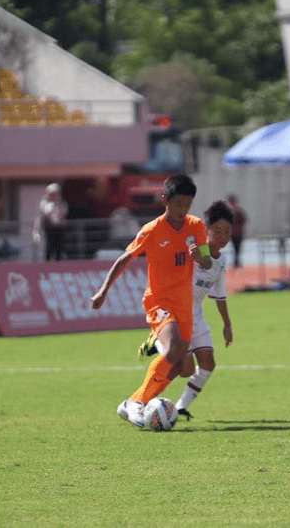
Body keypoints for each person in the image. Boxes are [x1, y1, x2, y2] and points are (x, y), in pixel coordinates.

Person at [91, 174, 212, 428]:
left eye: (187, 205)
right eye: (178, 204)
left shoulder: (197, 226)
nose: (182, 210)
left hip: (184, 305)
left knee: (184, 367)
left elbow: (207, 260)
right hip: (159, 301)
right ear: (165, 200)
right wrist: (103, 291)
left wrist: (199, 258)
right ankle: (138, 401)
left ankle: (131, 403)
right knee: (174, 350)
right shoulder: (152, 230)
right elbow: (125, 258)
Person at [137, 200, 234, 420]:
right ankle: (159, 342)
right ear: (206, 231)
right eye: (216, 231)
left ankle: (180, 407)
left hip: (196, 314)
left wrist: (227, 325)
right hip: (177, 312)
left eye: (226, 232)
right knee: (185, 369)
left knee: (208, 364)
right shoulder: (192, 248)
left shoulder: (222, 260)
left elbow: (219, 295)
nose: (222, 236)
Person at [33, 183, 68, 261]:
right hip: (49, 228)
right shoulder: (44, 203)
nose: (54, 196)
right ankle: (47, 265)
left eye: (56, 194)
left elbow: (64, 213)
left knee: (59, 249)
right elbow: (45, 214)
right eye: (52, 194)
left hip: (59, 228)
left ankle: (58, 264)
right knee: (49, 248)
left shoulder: (62, 203)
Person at [227, 194, 247, 268]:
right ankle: (236, 262)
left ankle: (236, 261)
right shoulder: (229, 212)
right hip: (233, 234)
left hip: (239, 233)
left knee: (238, 248)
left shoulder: (239, 212)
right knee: (234, 248)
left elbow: (244, 220)